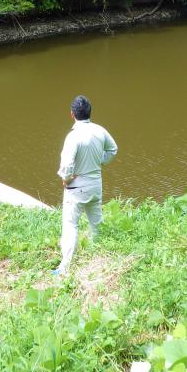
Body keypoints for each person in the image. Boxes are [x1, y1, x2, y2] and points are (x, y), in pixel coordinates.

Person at [54, 95, 118, 276]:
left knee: (70, 225)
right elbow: (113, 149)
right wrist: (100, 162)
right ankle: (100, 259)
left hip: (76, 188)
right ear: (90, 112)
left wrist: (66, 179)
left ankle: (65, 268)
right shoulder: (100, 130)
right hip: (95, 184)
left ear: (72, 114)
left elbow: (66, 165)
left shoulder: (73, 137)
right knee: (96, 223)